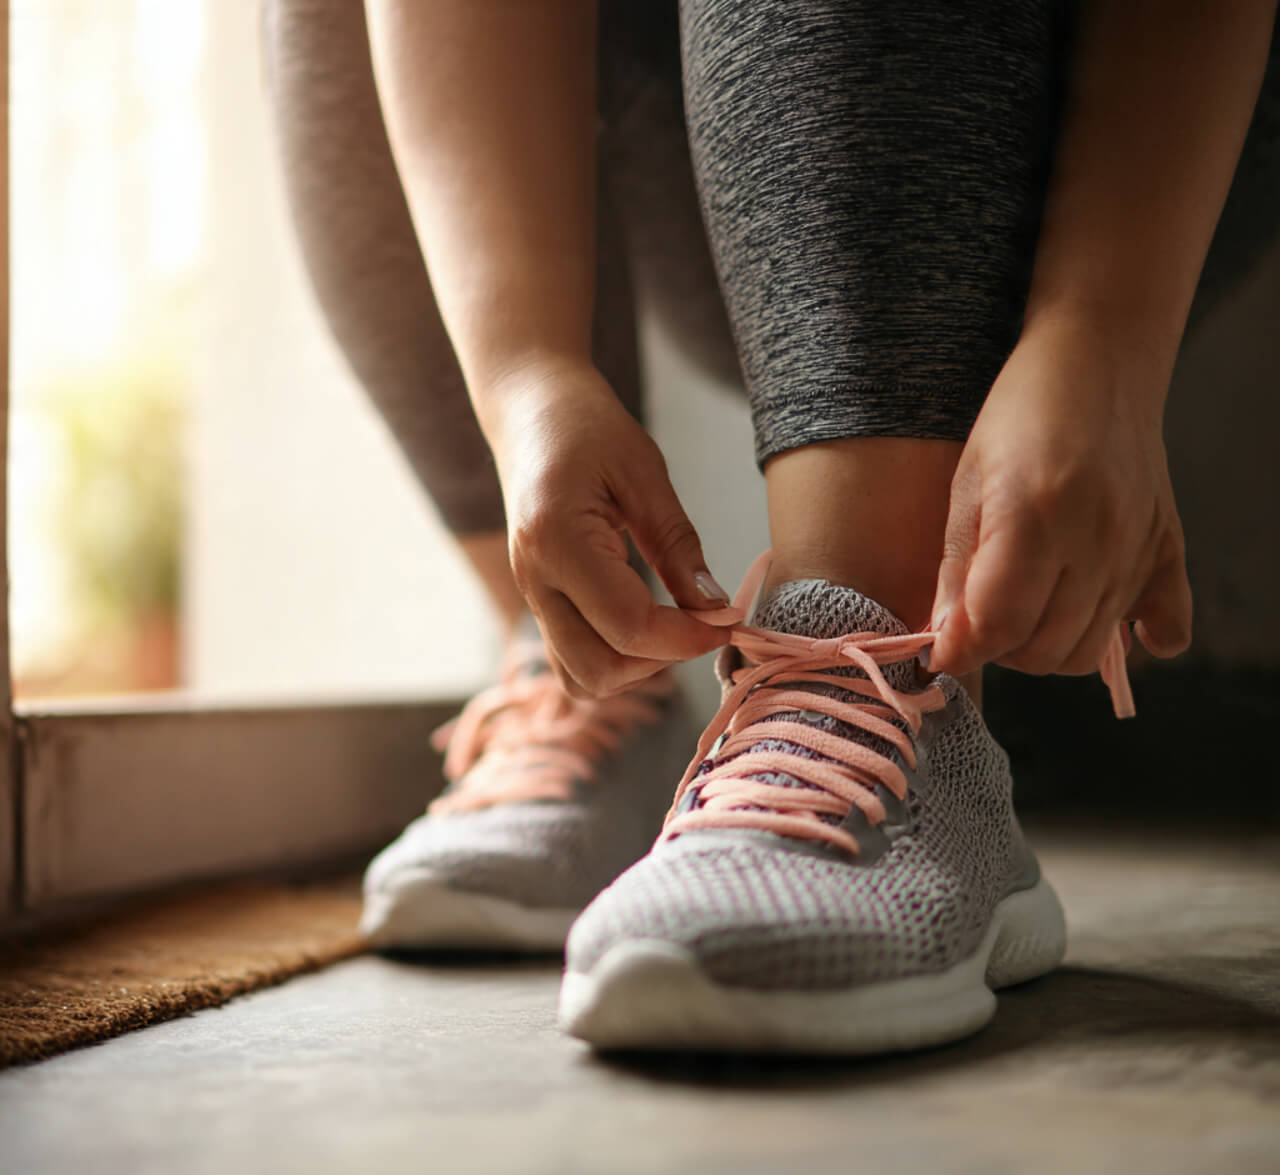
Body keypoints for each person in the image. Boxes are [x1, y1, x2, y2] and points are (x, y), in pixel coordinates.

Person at [261, 0, 1279, 1053]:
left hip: (1111, 116)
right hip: (733, 140)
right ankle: (588, 674)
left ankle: (892, 687)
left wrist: (1105, 330)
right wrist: (526, 374)